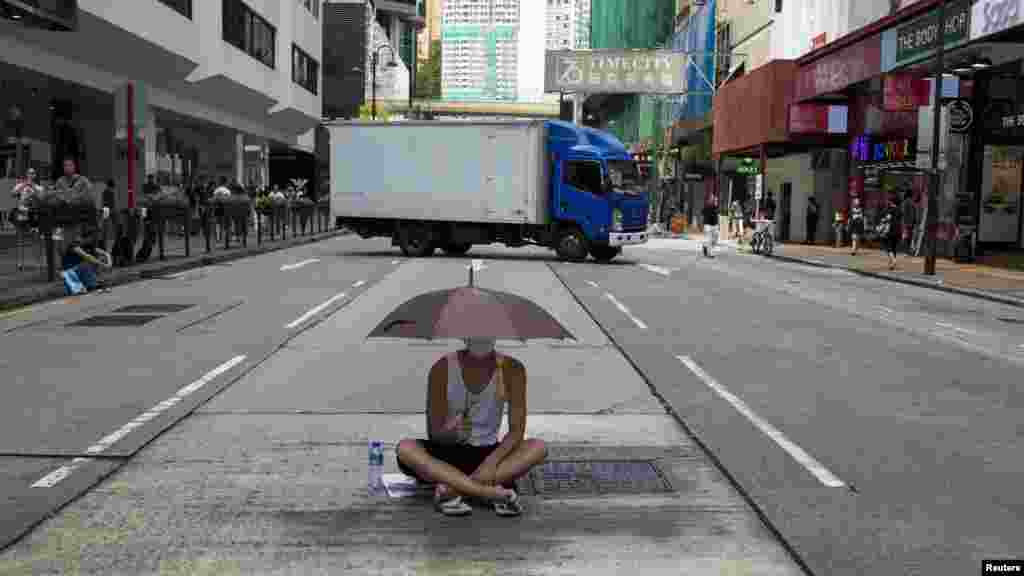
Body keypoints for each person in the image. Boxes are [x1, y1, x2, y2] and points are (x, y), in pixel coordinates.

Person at [396, 338, 547, 517]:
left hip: (489, 457)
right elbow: (435, 433)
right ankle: (486, 492)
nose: (480, 336)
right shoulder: (442, 368)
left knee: (538, 447)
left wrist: (491, 463)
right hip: (447, 456)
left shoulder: (512, 369)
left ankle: (454, 490)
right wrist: (451, 432)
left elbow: (516, 432)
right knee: (405, 448)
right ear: (464, 335)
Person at [62, 227, 112, 294]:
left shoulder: (88, 245)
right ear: (88, 238)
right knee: (87, 263)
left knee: (96, 260)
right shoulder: (74, 245)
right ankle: (93, 284)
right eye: (92, 238)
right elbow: (87, 256)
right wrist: (104, 265)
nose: (93, 240)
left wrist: (109, 263)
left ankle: (95, 283)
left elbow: (105, 253)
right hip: (69, 272)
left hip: (79, 272)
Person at [881, 194, 903, 270]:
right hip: (898, 230)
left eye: (890, 201)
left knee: (888, 247)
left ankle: (893, 261)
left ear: (892, 202)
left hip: (890, 230)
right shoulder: (900, 210)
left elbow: (888, 218)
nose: (888, 202)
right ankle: (891, 265)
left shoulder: (890, 210)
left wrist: (883, 220)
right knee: (894, 247)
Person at [901, 190, 917, 255]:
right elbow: (913, 213)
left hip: (907, 222)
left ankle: (908, 250)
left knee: (907, 237)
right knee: (909, 237)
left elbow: (904, 213)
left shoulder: (906, 202)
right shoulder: (911, 202)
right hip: (910, 222)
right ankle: (910, 250)